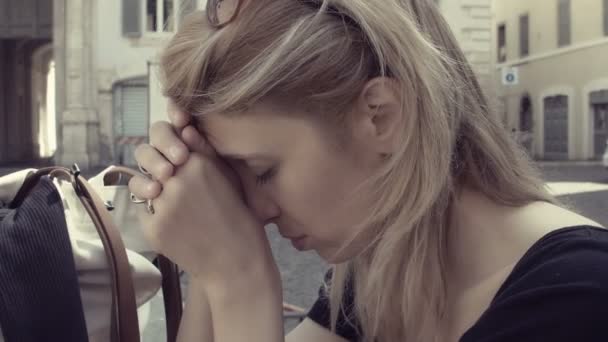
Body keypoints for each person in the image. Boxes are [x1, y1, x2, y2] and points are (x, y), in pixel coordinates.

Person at [128, 0, 608, 341]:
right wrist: (215, 258)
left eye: (262, 170)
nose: (255, 208)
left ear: (381, 115)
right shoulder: (391, 271)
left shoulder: (579, 299)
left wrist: (241, 282)